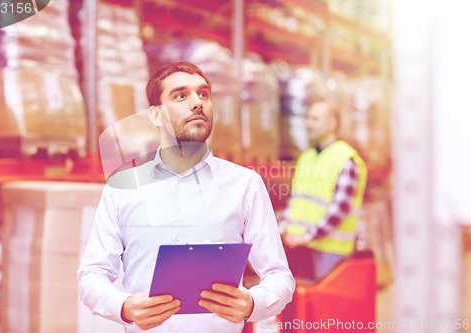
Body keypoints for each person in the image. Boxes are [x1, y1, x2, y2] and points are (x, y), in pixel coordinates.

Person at [77, 62, 295, 332]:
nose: (197, 103)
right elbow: (92, 275)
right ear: (156, 115)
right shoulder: (122, 188)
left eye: (203, 94)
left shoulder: (245, 184)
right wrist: (124, 307)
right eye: (181, 95)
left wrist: (253, 303)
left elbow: (280, 277)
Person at [279, 100, 368, 281]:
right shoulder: (306, 158)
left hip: (331, 251)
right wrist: (282, 229)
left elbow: (340, 208)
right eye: (308, 118)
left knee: (325, 306)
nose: (308, 123)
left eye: (315, 119)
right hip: (300, 248)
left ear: (332, 123)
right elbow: (296, 201)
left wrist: (307, 236)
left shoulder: (346, 158)